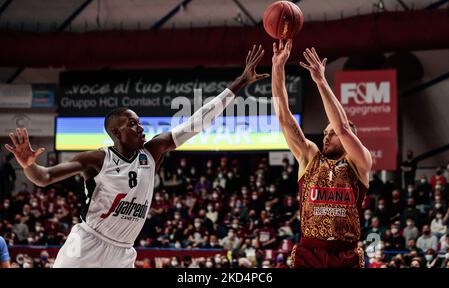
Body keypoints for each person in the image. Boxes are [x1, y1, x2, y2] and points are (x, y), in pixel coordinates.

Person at [4, 45, 269, 268]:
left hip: (123, 252)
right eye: (133, 124)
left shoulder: (153, 151)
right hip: (86, 246)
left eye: (140, 123)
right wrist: (28, 163)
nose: (140, 127)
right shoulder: (96, 160)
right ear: (116, 132)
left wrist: (240, 83)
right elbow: (44, 177)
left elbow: (196, 122)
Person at [272, 40, 372, 268]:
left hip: (345, 253)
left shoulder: (359, 161)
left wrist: (320, 80)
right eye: (325, 132)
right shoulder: (310, 157)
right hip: (309, 251)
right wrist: (277, 68)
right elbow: (284, 118)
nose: (326, 136)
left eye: (331, 133)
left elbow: (343, 128)